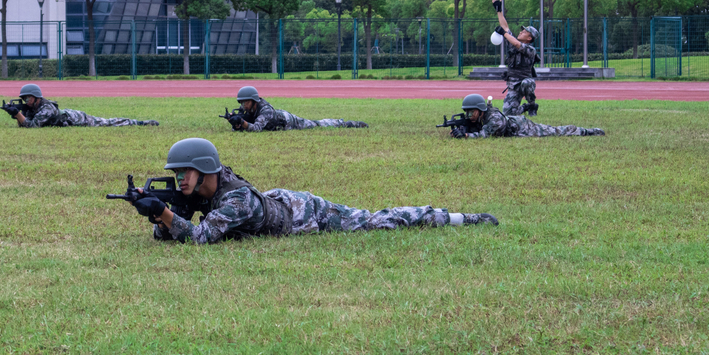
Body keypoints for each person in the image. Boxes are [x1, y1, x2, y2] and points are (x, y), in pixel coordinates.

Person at [130, 138, 498, 244]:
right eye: (177, 174)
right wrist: (159, 218)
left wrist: (164, 215)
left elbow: (198, 238)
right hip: (274, 201)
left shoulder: (236, 199)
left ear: (206, 169)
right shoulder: (200, 191)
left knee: (374, 221)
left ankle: (455, 218)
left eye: (186, 172)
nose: (181, 180)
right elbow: (170, 234)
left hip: (302, 213)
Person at [451, 94, 605, 139]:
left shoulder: (494, 119)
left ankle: (588, 131)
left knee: (557, 131)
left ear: (480, 110)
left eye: (471, 112)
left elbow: (485, 134)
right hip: (515, 123)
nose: (469, 115)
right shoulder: (481, 117)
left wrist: (465, 135)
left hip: (524, 127)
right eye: (467, 112)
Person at [3, 84, 160, 128]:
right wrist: (17, 115)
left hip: (77, 119)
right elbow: (25, 124)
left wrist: (17, 114)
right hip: (69, 118)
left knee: (109, 122)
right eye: (23, 98)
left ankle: (140, 123)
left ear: (37, 98)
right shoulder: (33, 107)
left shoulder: (47, 107)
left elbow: (33, 126)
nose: (26, 101)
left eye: (28, 98)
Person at [227, 86, 367, 131]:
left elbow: (256, 129)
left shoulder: (265, 110)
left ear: (253, 101)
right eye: (242, 102)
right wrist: (235, 122)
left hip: (288, 121)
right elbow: (242, 125)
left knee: (317, 124)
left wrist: (243, 123)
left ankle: (345, 123)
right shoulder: (248, 109)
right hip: (277, 120)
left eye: (246, 102)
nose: (244, 105)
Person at [492, 0, 539, 116]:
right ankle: (525, 107)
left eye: (524, 32)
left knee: (527, 83)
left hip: (524, 82)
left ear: (529, 38)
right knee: (508, 114)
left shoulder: (530, 50)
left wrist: (504, 33)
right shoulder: (513, 42)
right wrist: (499, 10)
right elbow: (505, 27)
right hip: (513, 85)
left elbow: (516, 43)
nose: (520, 32)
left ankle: (532, 104)